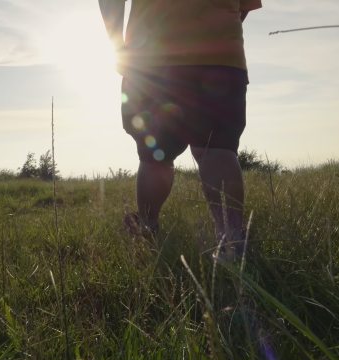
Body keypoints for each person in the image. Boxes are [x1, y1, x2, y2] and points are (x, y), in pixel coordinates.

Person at [99, 0, 262, 255]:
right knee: (217, 148)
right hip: (221, 56)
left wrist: (117, 43)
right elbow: (243, 7)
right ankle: (232, 241)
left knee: (155, 156)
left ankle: (148, 228)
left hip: (152, 57)